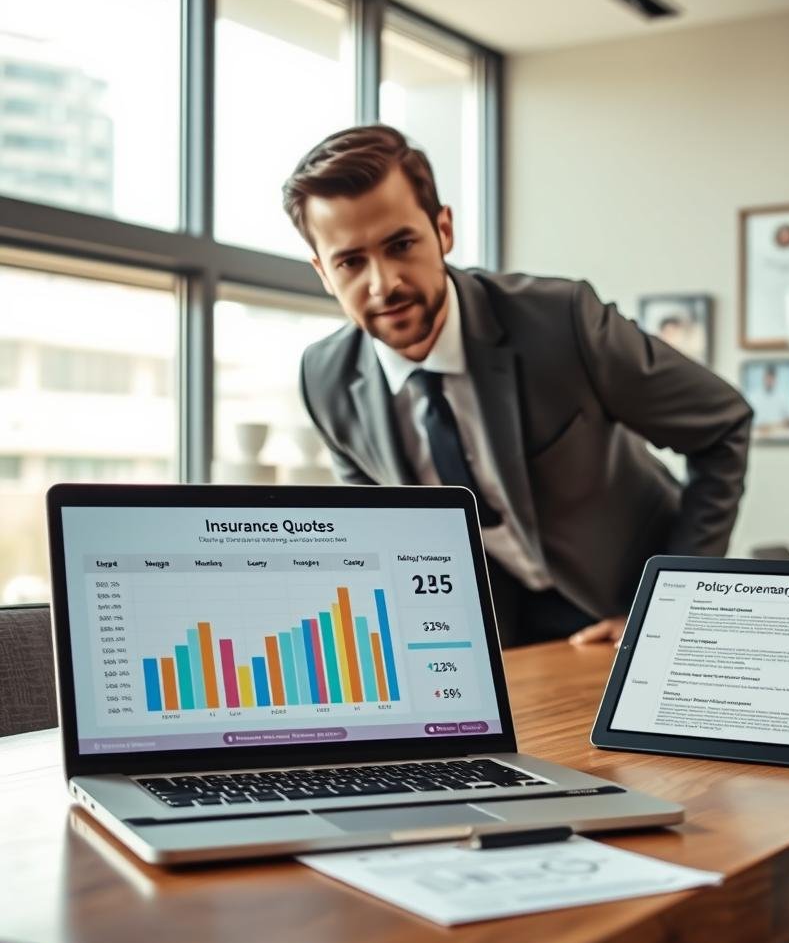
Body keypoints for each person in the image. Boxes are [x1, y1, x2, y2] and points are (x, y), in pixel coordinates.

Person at [283, 125, 752, 647]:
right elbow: (381, 532)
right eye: (351, 261)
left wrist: (668, 602)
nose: (383, 283)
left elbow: (723, 424)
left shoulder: (564, 323)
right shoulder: (323, 379)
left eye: (401, 244)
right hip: (496, 637)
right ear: (323, 271)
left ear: (443, 230)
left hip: (632, 608)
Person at [746, 364, 789, 440]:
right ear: (764, 378)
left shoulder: (783, 397)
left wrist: (782, 424)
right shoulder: (753, 397)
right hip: (758, 434)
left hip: (778, 434)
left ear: (775, 380)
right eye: (767, 378)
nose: (769, 381)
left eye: (772, 379)